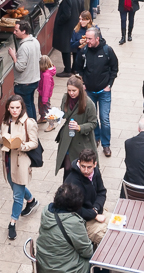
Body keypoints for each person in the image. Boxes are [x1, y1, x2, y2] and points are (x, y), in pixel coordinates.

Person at [0, 95, 40, 240]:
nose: (15, 110)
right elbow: (3, 139)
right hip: (8, 160)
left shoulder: (29, 123)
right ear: (8, 108)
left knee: (17, 195)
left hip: (21, 161)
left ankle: (12, 222)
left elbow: (34, 143)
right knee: (14, 185)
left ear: (22, 107)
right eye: (12, 108)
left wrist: (21, 146)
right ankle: (31, 200)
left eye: (18, 107)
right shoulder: (6, 122)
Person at [76, 27, 118, 157]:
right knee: (92, 119)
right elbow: (78, 69)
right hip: (89, 92)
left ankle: (106, 145)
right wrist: (82, 83)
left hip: (104, 91)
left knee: (104, 119)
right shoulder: (83, 51)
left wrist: (109, 85)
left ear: (97, 39)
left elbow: (114, 68)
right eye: (86, 38)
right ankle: (96, 138)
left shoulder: (107, 51)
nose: (87, 41)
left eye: (89, 39)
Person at [36, 183, 94, 273]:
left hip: (43, 265)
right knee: (99, 264)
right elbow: (87, 252)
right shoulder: (73, 222)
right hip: (65, 270)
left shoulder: (46, 210)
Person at [54, 75, 99, 177]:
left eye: (74, 90)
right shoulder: (65, 98)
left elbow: (93, 123)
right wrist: (56, 117)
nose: (71, 93)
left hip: (81, 141)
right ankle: (66, 191)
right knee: (67, 169)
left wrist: (80, 127)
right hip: (68, 138)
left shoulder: (88, 103)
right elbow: (64, 114)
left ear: (80, 89)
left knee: (81, 170)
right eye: (69, 90)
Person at [63, 148, 109, 245]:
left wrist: (96, 209)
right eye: (83, 166)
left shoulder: (96, 172)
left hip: (96, 210)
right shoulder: (72, 182)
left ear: (95, 164)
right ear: (79, 162)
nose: (86, 171)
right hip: (82, 220)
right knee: (107, 241)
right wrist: (94, 214)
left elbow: (102, 192)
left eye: (89, 167)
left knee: (119, 226)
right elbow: (73, 209)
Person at [9, 20, 41, 120]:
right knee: (30, 104)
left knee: (26, 108)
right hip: (34, 80)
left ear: (23, 31)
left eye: (16, 30)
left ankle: (30, 130)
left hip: (24, 83)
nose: (14, 32)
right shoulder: (35, 41)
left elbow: (19, 67)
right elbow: (39, 58)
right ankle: (33, 127)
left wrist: (13, 56)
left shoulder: (24, 47)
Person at [54, 0, 84, 77]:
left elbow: (66, 14)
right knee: (75, 47)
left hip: (67, 27)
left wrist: (59, 21)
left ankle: (67, 70)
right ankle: (74, 69)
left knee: (66, 49)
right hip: (76, 26)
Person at [69, 10, 94, 77]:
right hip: (80, 58)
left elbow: (100, 42)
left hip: (92, 57)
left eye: (83, 20)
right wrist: (79, 42)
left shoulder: (94, 30)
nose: (80, 21)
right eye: (80, 19)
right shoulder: (76, 30)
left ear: (88, 20)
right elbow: (71, 45)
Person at [37, 55, 57, 128]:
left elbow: (46, 88)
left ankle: (51, 124)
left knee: (47, 109)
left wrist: (44, 99)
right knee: (41, 106)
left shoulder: (46, 75)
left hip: (45, 95)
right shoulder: (45, 72)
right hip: (42, 93)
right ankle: (43, 118)